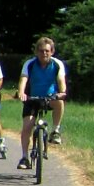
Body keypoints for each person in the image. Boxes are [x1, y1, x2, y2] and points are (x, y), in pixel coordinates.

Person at [18, 36, 67, 168]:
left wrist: (61, 92)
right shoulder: (30, 64)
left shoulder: (57, 64)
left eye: (47, 51)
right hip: (32, 99)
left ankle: (55, 131)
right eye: (41, 51)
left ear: (52, 51)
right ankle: (24, 157)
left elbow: (61, 80)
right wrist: (21, 93)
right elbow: (24, 79)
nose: (44, 53)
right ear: (36, 52)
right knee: (27, 127)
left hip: (49, 98)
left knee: (59, 103)